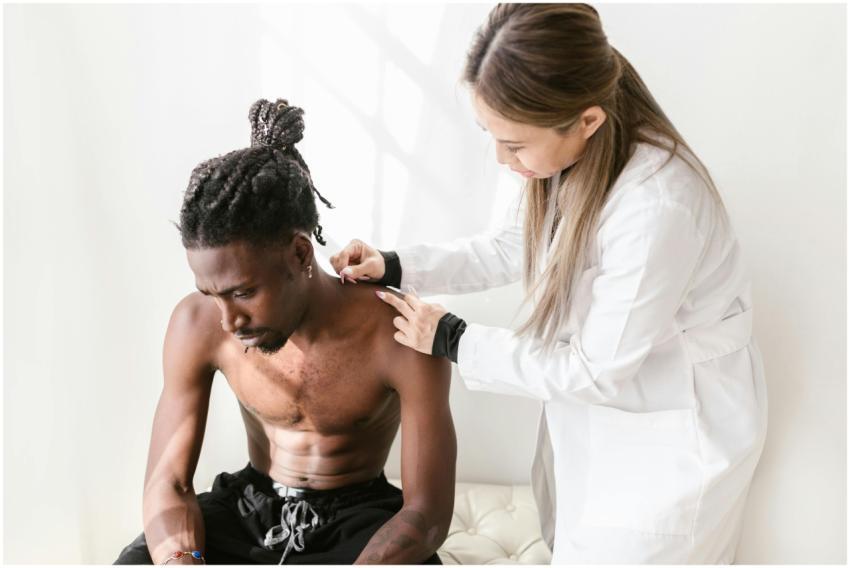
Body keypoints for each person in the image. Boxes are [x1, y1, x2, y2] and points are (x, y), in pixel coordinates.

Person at [330, 3, 767, 564]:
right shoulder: (560, 156)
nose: (500, 157)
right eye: (490, 134)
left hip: (675, 446)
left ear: (586, 120)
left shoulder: (659, 206)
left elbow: (595, 370)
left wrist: (456, 339)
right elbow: (512, 245)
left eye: (513, 144)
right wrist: (396, 265)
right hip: (599, 425)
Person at [115, 99, 455, 565]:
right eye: (211, 294)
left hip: (360, 519)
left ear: (299, 254)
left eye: (242, 292)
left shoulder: (399, 331)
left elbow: (427, 511)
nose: (227, 321)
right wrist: (180, 559)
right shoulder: (196, 325)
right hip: (247, 509)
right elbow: (168, 483)